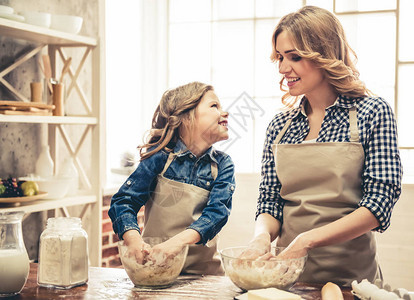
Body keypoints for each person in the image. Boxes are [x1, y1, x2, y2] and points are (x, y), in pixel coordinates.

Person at [244, 6, 403, 286]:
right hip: (289, 278)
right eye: (280, 57)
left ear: (325, 55)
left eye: (295, 57)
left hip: (353, 281)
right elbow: (270, 199)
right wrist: (261, 237)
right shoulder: (280, 126)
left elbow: (379, 203)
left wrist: (306, 241)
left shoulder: (372, 112)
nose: (283, 68)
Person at [108, 81, 235, 275]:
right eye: (214, 106)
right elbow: (124, 201)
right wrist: (133, 239)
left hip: (203, 275)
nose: (224, 112)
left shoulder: (223, 165)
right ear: (186, 117)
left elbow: (216, 215)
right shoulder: (159, 158)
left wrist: (175, 244)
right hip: (155, 270)